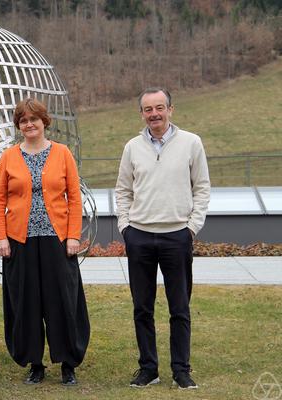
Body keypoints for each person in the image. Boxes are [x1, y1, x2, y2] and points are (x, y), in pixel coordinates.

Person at [115, 87, 210, 390]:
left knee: (179, 308)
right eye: (148, 109)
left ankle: (181, 370)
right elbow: (123, 191)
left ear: (171, 109)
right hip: (140, 237)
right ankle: (148, 368)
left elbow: (202, 188)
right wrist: (126, 228)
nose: (154, 114)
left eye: (159, 107)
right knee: (142, 307)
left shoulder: (191, 143)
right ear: (141, 113)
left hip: (176, 237)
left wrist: (191, 228)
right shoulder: (132, 147)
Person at [0, 98, 90, 386]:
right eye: (23, 121)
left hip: (57, 239)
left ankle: (68, 362)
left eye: (34, 119)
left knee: (63, 301)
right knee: (27, 303)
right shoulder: (9, 157)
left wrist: (73, 235)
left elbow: (74, 197)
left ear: (44, 121)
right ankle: (35, 363)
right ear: (18, 126)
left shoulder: (62, 153)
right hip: (19, 241)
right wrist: (1, 237)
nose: (29, 124)